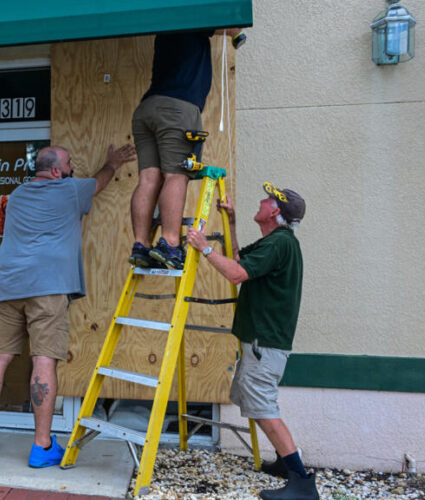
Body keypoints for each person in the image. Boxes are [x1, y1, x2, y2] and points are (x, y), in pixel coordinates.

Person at [0, 143, 136, 468]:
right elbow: (100, 181)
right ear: (58, 172)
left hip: (8, 285)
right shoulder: (70, 190)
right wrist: (112, 162)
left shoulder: (16, 195)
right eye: (70, 163)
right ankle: (42, 446)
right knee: (44, 361)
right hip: (47, 287)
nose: (74, 166)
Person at [187, 182, 318, 500]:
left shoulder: (279, 244)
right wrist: (230, 223)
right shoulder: (277, 242)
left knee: (264, 407)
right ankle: (287, 465)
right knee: (257, 404)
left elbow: (235, 274)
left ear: (275, 211)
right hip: (262, 342)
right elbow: (239, 261)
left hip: (265, 344)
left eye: (268, 199)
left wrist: (204, 248)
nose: (261, 200)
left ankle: (302, 484)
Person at [129, 28, 243, 270]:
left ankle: (140, 244)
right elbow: (231, 24)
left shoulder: (167, 21)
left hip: (147, 108)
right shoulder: (195, 15)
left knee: (148, 178)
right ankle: (169, 242)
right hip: (177, 109)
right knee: (175, 175)